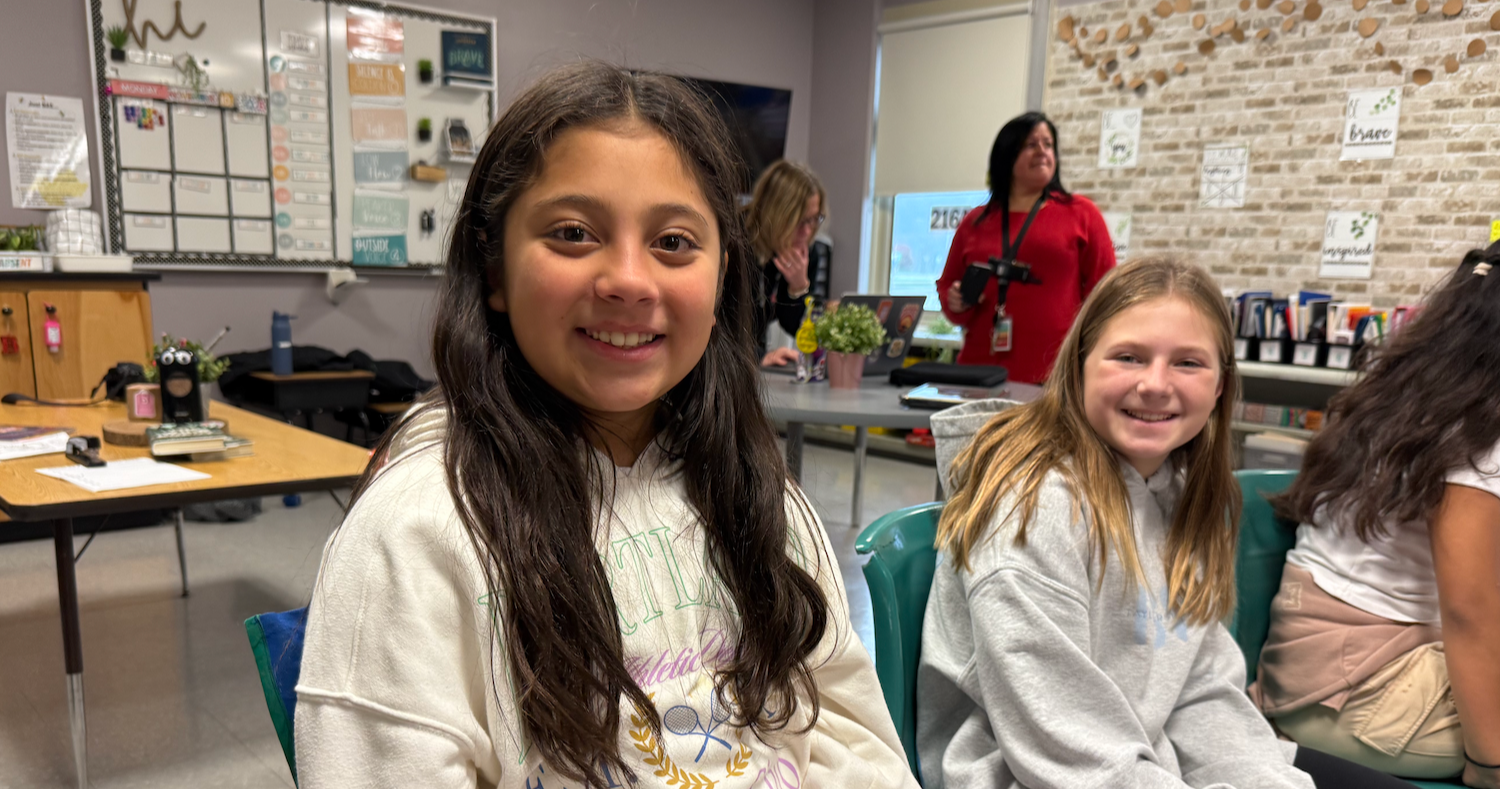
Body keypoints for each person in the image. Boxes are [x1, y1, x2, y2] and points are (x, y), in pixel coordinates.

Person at [293, 63, 917, 789]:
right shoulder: (418, 531)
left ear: (721, 282)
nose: (628, 278)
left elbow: (845, 726)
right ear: (493, 270)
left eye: (675, 242)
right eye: (572, 232)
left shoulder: (758, 493)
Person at [918, 257, 1415, 789]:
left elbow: (1198, 688)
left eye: (1188, 363)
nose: (1156, 385)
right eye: (1128, 357)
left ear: (1221, 385)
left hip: (1147, 759)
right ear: (1079, 364)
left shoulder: (1178, 492)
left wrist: (1260, 778)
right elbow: (1067, 750)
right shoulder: (1032, 508)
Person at [1252, 247, 1500, 789]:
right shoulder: (1484, 433)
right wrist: (1489, 766)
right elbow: (1469, 612)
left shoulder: (1416, 395)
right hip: (1358, 693)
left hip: (1309, 672)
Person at [935, 112, 1116, 385]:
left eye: (1048, 144)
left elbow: (1105, 294)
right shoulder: (975, 222)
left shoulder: (1082, 214)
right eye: (1031, 145)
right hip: (978, 373)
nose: (1042, 152)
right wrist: (956, 300)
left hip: (1054, 376)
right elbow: (949, 288)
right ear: (1007, 155)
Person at [743, 160, 832, 366]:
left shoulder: (806, 251)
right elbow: (718, 324)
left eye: (814, 219)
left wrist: (798, 288)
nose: (808, 232)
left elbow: (794, 327)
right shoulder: (736, 243)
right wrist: (758, 356)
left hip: (751, 368)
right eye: (801, 221)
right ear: (776, 216)